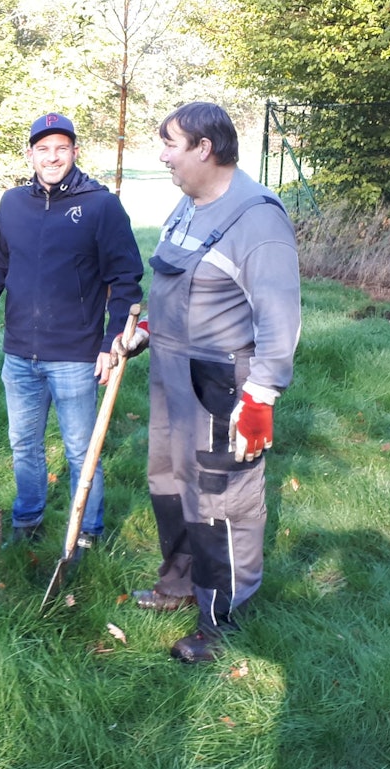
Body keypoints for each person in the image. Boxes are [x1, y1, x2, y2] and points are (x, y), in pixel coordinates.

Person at [129, 101, 301, 664]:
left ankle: (222, 617)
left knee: (222, 499)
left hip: (222, 382)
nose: (163, 155)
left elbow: (279, 315)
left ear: (205, 148)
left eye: (171, 144)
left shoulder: (258, 218)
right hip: (170, 370)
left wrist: (263, 396)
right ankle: (181, 580)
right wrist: (148, 330)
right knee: (168, 479)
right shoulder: (188, 204)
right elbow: (184, 286)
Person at [0, 113, 144, 562]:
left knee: (82, 448)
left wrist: (110, 343)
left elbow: (125, 279)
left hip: (76, 353)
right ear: (30, 155)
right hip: (20, 352)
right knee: (24, 444)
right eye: (43, 149)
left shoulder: (101, 205)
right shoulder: (12, 204)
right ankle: (27, 521)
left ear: (74, 152)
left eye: (61, 148)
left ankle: (87, 531)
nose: (52, 157)